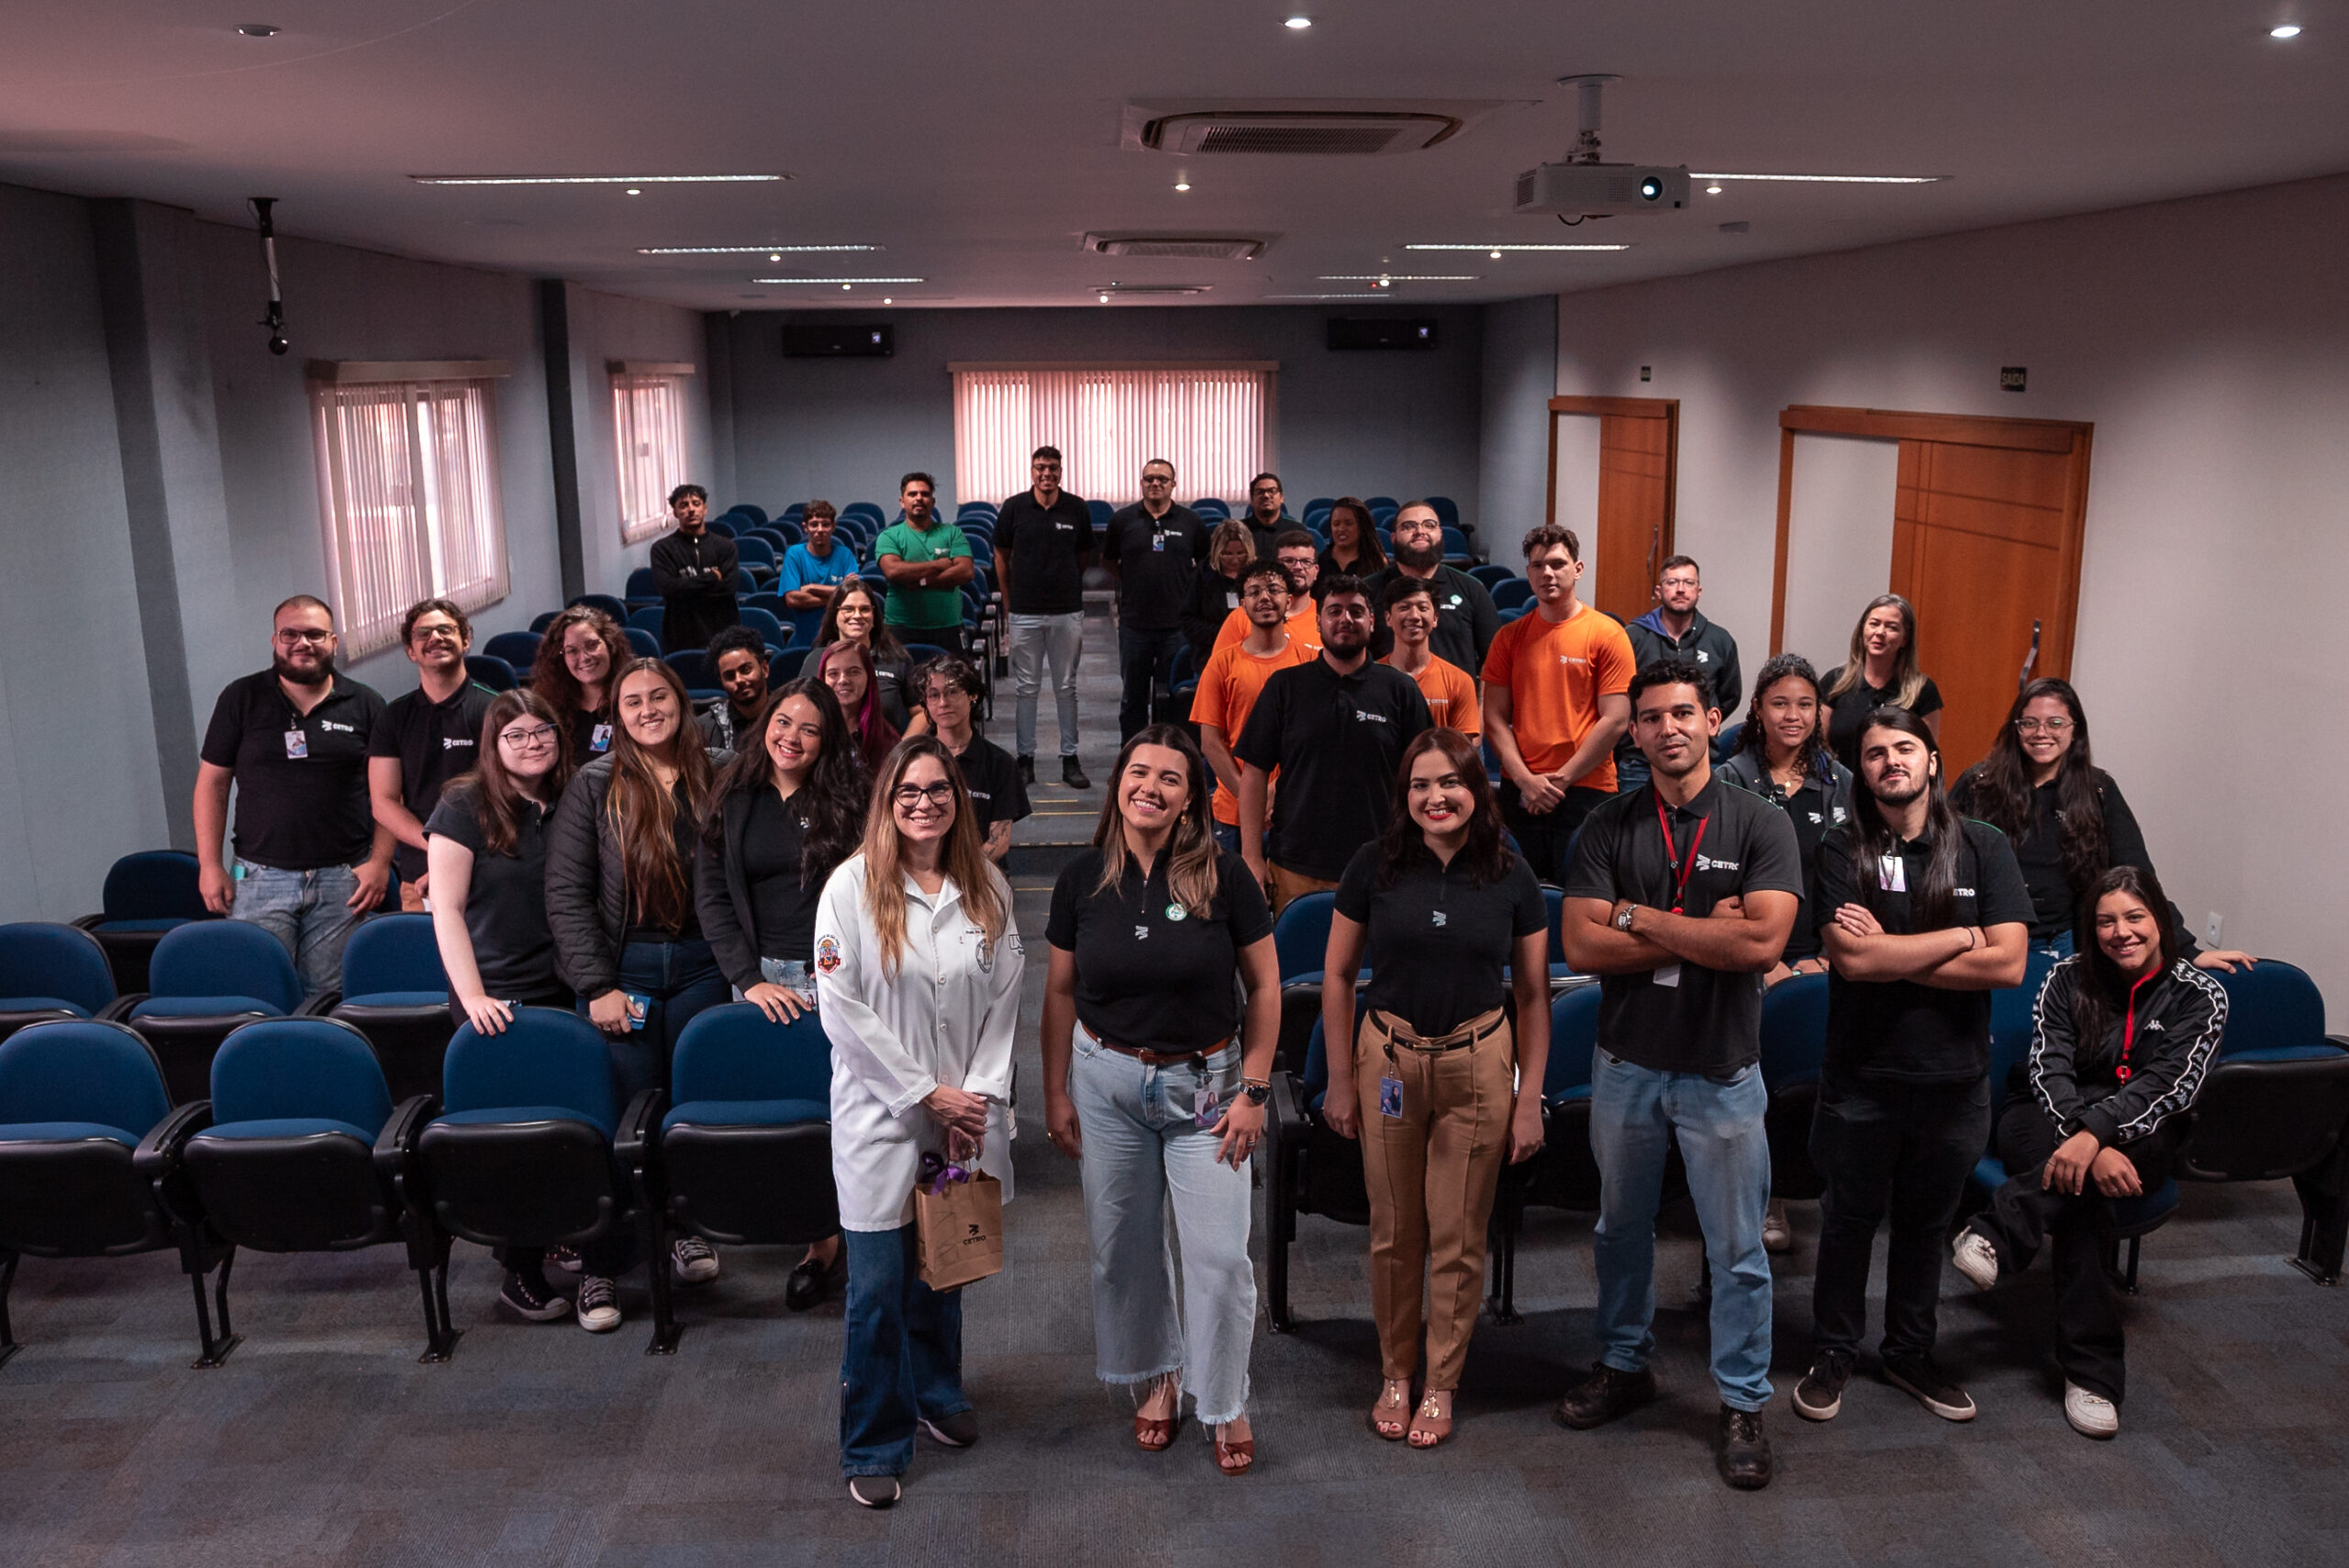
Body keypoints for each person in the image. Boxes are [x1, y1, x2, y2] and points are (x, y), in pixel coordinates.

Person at [1554, 659, 1801, 1490]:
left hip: (1721, 1072)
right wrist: (1701, 929)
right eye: (1652, 717)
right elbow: (1582, 945)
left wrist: (1637, 916)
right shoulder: (1606, 827)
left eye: (1683, 713)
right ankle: (1626, 1364)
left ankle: (1741, 1399)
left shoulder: (1760, 824)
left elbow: (1762, 945)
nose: (1667, 728)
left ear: (1715, 718)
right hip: (1626, 1065)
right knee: (1618, 1229)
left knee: (1735, 1250)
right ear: (1636, 732)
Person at [1041, 725, 1279, 1477]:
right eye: (1138, 772)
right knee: (1126, 1251)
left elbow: (1267, 988)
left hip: (1207, 1092)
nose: (1150, 786)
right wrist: (1053, 1090)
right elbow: (1056, 991)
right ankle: (1163, 1374)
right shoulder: (1081, 879)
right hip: (1106, 1083)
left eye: (1169, 778)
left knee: (1218, 1256)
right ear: (1118, 783)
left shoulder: (1226, 876)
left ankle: (1224, 1395)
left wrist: (1256, 1087)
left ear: (1189, 798)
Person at [1792, 706, 2031, 1429]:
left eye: (1904, 748)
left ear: (1933, 759)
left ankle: (1909, 1351)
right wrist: (1961, 935)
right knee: (1847, 1222)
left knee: (1926, 1227)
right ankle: (1834, 1349)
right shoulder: (1841, 847)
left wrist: (1900, 951)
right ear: (1860, 770)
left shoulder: (1984, 846)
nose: (1890, 761)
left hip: (1954, 1082)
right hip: (1862, 1077)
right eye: (1873, 753)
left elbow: (2011, 962)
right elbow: (1855, 961)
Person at [1321, 728, 1550, 1449]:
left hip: (1477, 1063)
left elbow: (1537, 996)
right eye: (1420, 785)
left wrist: (1529, 1095)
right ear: (1404, 795)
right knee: (1395, 1231)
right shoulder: (1374, 865)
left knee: (1456, 1232)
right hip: (1387, 1060)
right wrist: (1337, 1079)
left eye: (1449, 782)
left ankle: (1441, 1382)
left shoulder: (1511, 874)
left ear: (1475, 789)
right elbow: (1335, 975)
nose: (1435, 797)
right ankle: (1395, 1372)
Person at [815, 736, 1023, 1509]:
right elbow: (842, 1010)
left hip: (962, 1119)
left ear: (957, 800)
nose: (924, 803)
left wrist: (975, 1097)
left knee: (945, 1264)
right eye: (908, 791)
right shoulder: (849, 890)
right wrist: (926, 1094)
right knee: (876, 1287)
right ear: (887, 801)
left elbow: (1005, 1001)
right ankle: (873, 1436)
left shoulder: (988, 888)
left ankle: (938, 1392)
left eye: (938, 789)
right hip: (882, 1119)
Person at [1948, 865, 2225, 1440]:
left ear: (2161, 922)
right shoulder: (2065, 978)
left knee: (2085, 1199)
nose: (2120, 932)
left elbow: (2170, 1086)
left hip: (2142, 1131)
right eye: (2105, 921)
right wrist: (2085, 1139)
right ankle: (2092, 1376)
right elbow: (2050, 1071)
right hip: (2045, 1116)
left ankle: (2002, 1228)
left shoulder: (2201, 995)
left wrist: (2098, 1137)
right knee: (2085, 1191)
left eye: (2134, 917)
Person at [546, 657, 728, 1327]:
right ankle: (602, 1264)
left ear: (681, 703)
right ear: (615, 715)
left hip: (701, 968)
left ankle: (685, 1226)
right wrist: (596, 984)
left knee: (689, 1112)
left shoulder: (717, 773)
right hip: (624, 969)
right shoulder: (594, 784)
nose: (648, 708)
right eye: (632, 701)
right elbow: (566, 894)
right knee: (617, 1119)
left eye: (659, 696)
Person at [697, 677, 869, 1312]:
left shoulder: (852, 796)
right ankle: (816, 1239)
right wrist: (749, 978)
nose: (791, 737)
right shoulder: (734, 794)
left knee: (845, 1115)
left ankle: (857, 1234)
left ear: (827, 740)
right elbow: (712, 894)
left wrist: (845, 976)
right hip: (764, 980)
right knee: (790, 1117)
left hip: (840, 979)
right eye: (782, 722)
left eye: (808, 728)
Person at [423, 687, 578, 1325]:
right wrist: (474, 996)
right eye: (516, 735)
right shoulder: (464, 803)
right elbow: (447, 910)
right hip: (496, 996)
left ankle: (561, 1228)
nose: (532, 743)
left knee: (565, 1128)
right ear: (494, 744)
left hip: (564, 987)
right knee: (515, 1140)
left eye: (543, 731)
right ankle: (519, 1269)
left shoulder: (570, 797)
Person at [1949, 678, 2254, 969]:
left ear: (2074, 730)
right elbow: (1938, 857)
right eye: (2029, 723)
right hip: (1987, 938)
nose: (2041, 732)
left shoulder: (2098, 790)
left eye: (2055, 723)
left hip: (2062, 941)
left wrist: (2187, 949)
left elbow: (2136, 874)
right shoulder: (1979, 784)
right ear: (2016, 729)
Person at [1715, 654, 1854, 1255]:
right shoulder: (1731, 777)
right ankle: (1762, 1194)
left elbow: (1853, 877)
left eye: (1804, 704)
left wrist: (1825, 956)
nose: (1793, 715)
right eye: (1780, 703)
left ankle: (1819, 1184)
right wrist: (1765, 956)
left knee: (1822, 1076)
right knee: (1760, 1082)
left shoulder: (1842, 782)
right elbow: (1719, 877)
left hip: (1825, 957)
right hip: (1754, 956)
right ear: (1758, 711)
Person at [193, 594, 394, 996]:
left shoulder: (365, 704)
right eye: (291, 634)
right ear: (274, 640)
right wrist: (210, 865)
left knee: (330, 999)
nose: (303, 643)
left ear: (334, 641)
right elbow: (212, 785)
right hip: (257, 878)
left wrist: (380, 863)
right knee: (259, 993)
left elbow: (390, 796)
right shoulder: (241, 698)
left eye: (315, 634)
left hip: (345, 878)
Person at [1234, 574, 1432, 911]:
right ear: (1318, 622)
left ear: (1372, 621)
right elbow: (1253, 776)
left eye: (1356, 611)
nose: (1345, 620)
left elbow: (1425, 778)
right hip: (1295, 867)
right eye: (1334, 611)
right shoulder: (1285, 687)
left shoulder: (1400, 691)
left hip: (1383, 864)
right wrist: (1251, 858)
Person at [1481, 524, 1636, 884]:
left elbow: (1615, 720)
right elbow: (1493, 716)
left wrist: (1561, 781)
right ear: (1528, 573)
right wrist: (1525, 781)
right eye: (1537, 565)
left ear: (1577, 569)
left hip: (1587, 787)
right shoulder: (1508, 638)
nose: (1547, 573)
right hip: (1522, 788)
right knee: (1521, 897)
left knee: (1585, 896)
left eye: (1557, 564)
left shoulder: (1607, 634)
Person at [369, 598, 495, 911]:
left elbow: (514, 794)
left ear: (465, 641)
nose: (435, 638)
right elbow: (383, 802)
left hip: (490, 870)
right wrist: (439, 846)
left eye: (445, 629)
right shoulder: (393, 716)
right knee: (428, 960)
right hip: (419, 875)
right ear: (411, 651)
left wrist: (462, 850)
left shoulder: (498, 710)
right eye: (423, 633)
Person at [1192, 562, 1317, 855]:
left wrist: (1274, 793)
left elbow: (1316, 741)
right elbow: (1210, 743)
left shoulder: (1311, 663)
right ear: (1242, 604)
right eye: (1254, 591)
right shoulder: (1221, 663)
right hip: (1232, 812)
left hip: (1297, 807)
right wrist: (1252, 800)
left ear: (1289, 600)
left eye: (1274, 589)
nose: (1264, 597)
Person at [994, 445, 1095, 789]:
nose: (1046, 473)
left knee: (1066, 687)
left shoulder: (1076, 508)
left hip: (1067, 611)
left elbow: (1083, 557)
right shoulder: (1014, 507)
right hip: (1024, 612)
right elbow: (1001, 556)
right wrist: (1008, 602)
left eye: (1052, 468)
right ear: (1031, 470)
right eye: (1040, 467)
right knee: (1026, 689)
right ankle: (1026, 759)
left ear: (1061, 471)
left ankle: (1070, 758)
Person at [1101, 458, 1208, 741]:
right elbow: (1109, 561)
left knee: (1174, 697)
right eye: (1149, 478)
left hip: (1177, 626)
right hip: (1134, 625)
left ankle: (1171, 753)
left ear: (1174, 484)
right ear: (1142, 483)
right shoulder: (1123, 520)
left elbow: (1205, 565)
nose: (1155, 483)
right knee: (1133, 699)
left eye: (1162, 478)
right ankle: (1131, 754)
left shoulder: (1191, 522)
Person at [1618, 556, 1742, 791]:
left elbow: (1728, 696)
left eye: (1688, 583)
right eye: (1672, 582)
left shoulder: (1720, 640)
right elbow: (1620, 698)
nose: (1681, 589)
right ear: (1658, 590)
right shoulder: (1632, 636)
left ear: (1699, 590)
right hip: (1639, 763)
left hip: (1700, 761)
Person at [916, 654, 1029, 863]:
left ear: (972, 695)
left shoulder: (1000, 763)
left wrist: (959, 875)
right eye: (934, 695)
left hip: (980, 874)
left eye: (952, 693)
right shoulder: (912, 760)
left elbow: (999, 843)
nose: (943, 703)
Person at [1364, 503, 1497, 675]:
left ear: (1441, 535)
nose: (1420, 531)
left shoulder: (1472, 588)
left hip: (1456, 700)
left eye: (1429, 525)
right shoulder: (1368, 589)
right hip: (1386, 700)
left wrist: (1479, 701)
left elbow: (1494, 659)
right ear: (1393, 538)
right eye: (1408, 526)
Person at [1822, 595, 1942, 769]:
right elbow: (1818, 747)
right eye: (1874, 624)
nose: (1880, 632)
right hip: (1839, 788)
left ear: (1905, 639)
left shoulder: (1923, 690)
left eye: (1891, 627)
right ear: (1863, 630)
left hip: (1894, 789)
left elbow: (1925, 755)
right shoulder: (1834, 681)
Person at [873, 473, 974, 657]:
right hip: (900, 627)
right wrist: (939, 565)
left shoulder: (952, 533)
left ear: (933, 501)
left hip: (947, 626)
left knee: (954, 684)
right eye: (912, 494)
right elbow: (894, 571)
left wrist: (921, 582)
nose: (919, 498)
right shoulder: (889, 536)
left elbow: (966, 571)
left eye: (925, 494)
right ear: (902, 501)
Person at [1380, 576, 1480, 740]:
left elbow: (1461, 753)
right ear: (1388, 618)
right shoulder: (1371, 679)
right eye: (1404, 607)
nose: (1414, 615)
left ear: (1435, 618)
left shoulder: (1459, 681)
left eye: (1423, 608)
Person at [814, 579, 918, 732]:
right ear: (834, 617)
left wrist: (901, 752)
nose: (857, 615)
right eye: (848, 609)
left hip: (886, 753)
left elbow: (919, 712)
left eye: (864, 609)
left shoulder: (898, 659)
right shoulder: (815, 659)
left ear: (874, 616)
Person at [649, 483, 741, 655]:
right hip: (681, 637)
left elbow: (729, 588)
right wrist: (712, 577)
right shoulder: (662, 549)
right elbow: (668, 589)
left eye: (696, 504)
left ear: (705, 509)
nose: (691, 510)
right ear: (675, 512)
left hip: (723, 635)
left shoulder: (725, 547)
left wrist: (685, 588)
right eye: (683, 505)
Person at [531, 606, 629, 762]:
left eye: (592, 645)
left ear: (610, 645)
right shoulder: (547, 707)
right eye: (572, 651)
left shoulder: (634, 698)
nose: (584, 657)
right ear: (561, 658)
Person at [1208, 530, 1323, 658]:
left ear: (1316, 571)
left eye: (1306, 561)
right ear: (1275, 567)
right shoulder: (1241, 617)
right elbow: (1219, 668)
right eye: (1289, 561)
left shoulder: (1327, 618)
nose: (1298, 567)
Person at [776, 500, 860, 645]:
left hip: (840, 640)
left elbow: (854, 595)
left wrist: (812, 588)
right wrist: (837, 597)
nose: (820, 529)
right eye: (814, 524)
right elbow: (793, 599)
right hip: (805, 640)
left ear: (833, 527)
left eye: (825, 524)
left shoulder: (844, 555)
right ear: (805, 527)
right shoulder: (794, 555)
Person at [817, 641, 904, 773]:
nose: (843, 680)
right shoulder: (811, 733)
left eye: (854, 672)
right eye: (833, 674)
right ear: (823, 679)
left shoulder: (889, 741)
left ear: (869, 678)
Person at [1182, 519, 1260, 668]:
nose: (1235, 560)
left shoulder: (1260, 575)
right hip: (1210, 655)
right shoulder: (1201, 576)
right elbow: (1188, 620)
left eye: (1241, 553)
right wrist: (1225, 634)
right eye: (1227, 554)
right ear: (1217, 552)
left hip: (1254, 654)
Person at [695, 625, 772, 752]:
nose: (739, 680)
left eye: (746, 670)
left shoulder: (788, 717)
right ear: (721, 681)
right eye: (729, 676)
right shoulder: (704, 729)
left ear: (765, 669)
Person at [1318, 497, 1387, 582]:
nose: (1341, 529)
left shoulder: (1377, 562)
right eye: (1336, 524)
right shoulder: (1319, 562)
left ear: (1361, 526)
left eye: (1348, 523)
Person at [1241, 472, 1289, 558]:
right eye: (1260, 492)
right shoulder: (1238, 532)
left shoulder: (1296, 531)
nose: (1266, 496)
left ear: (1281, 497)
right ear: (1252, 500)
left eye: (1272, 491)